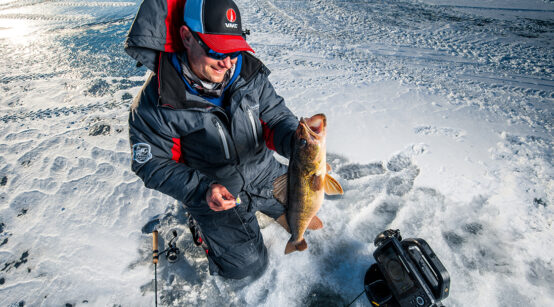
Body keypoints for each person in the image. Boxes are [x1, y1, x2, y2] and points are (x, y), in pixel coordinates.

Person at [125, 0, 299, 279]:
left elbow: (276, 118)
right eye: (217, 50)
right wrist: (202, 190)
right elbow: (152, 164)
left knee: (306, 213)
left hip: (264, 173)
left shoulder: (248, 72)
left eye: (235, 50)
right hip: (215, 191)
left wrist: (297, 142)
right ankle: (201, 226)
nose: (228, 61)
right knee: (247, 267)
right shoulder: (155, 101)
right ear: (186, 36)